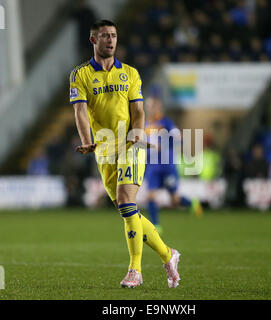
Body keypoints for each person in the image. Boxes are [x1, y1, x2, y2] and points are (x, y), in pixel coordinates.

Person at [69, 20, 180, 289]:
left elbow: (139, 111)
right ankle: (168, 255)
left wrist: (139, 133)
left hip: (131, 143)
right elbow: (80, 111)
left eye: (114, 35)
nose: (110, 40)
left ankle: (135, 271)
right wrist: (88, 141)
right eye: (105, 36)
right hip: (104, 149)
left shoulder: (130, 73)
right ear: (93, 40)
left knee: (125, 200)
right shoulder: (80, 75)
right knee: (127, 210)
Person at [144, 93, 203, 233]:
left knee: (175, 200)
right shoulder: (144, 124)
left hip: (167, 166)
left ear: (159, 107)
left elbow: (179, 138)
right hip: (152, 166)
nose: (152, 108)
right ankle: (155, 226)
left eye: (154, 105)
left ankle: (192, 203)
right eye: (149, 105)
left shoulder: (167, 123)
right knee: (150, 195)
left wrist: (165, 143)